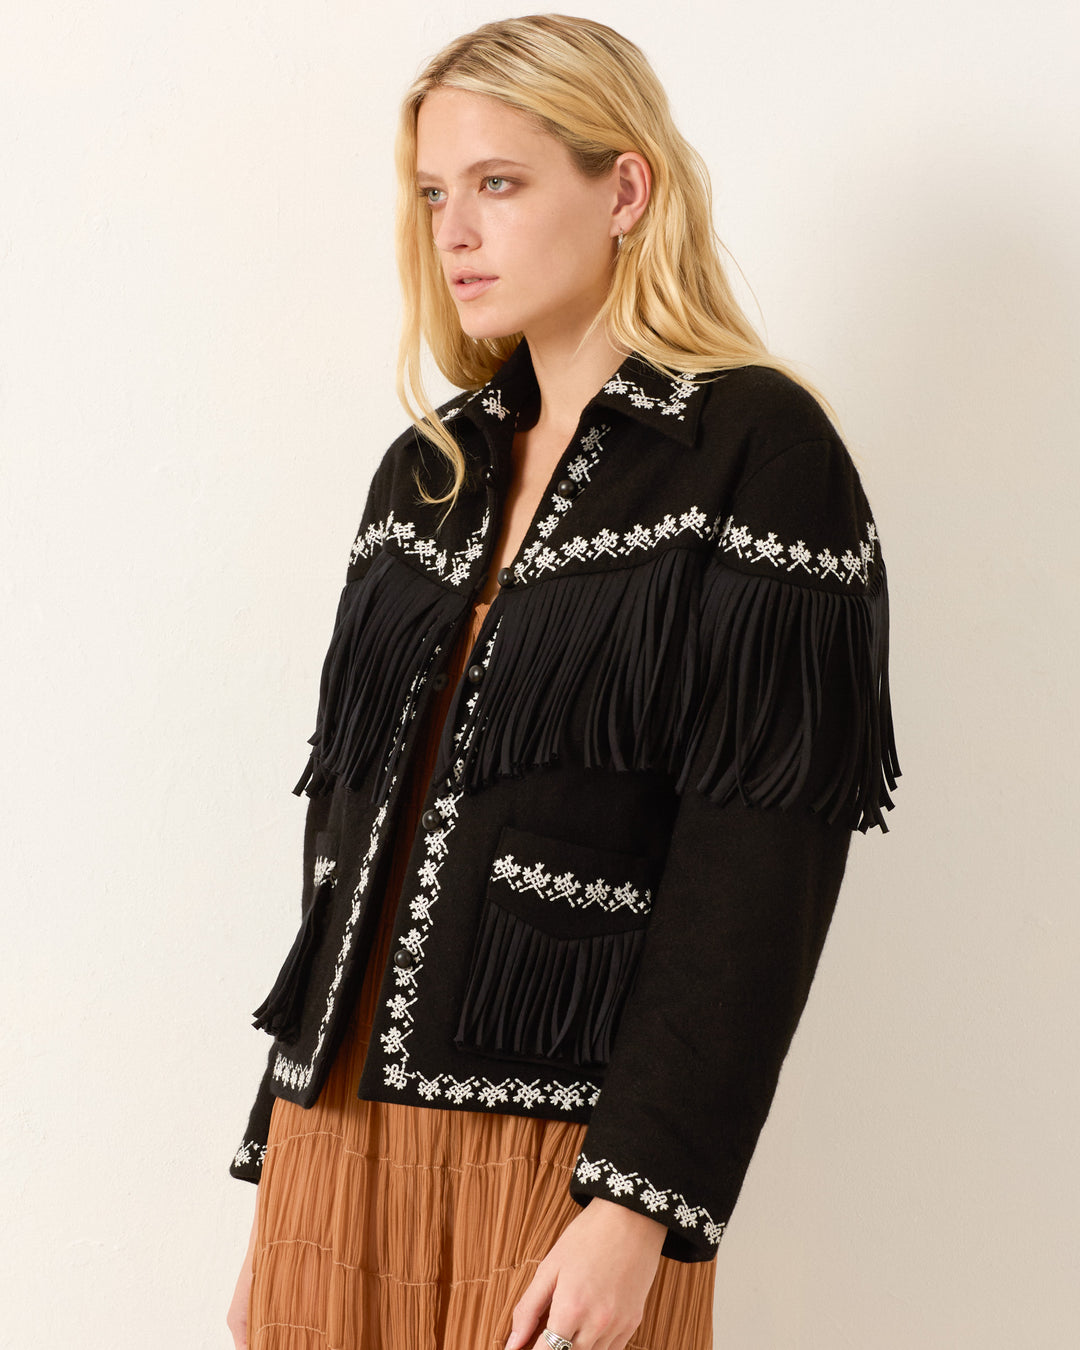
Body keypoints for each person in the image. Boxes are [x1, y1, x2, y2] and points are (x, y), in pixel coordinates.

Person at [226, 14, 899, 1350]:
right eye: (434, 194)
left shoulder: (760, 453)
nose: (454, 230)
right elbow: (343, 844)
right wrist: (275, 1156)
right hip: (339, 1132)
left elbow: (757, 864)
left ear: (625, 187)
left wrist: (635, 1201)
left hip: (557, 1152)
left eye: (498, 183)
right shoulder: (428, 470)